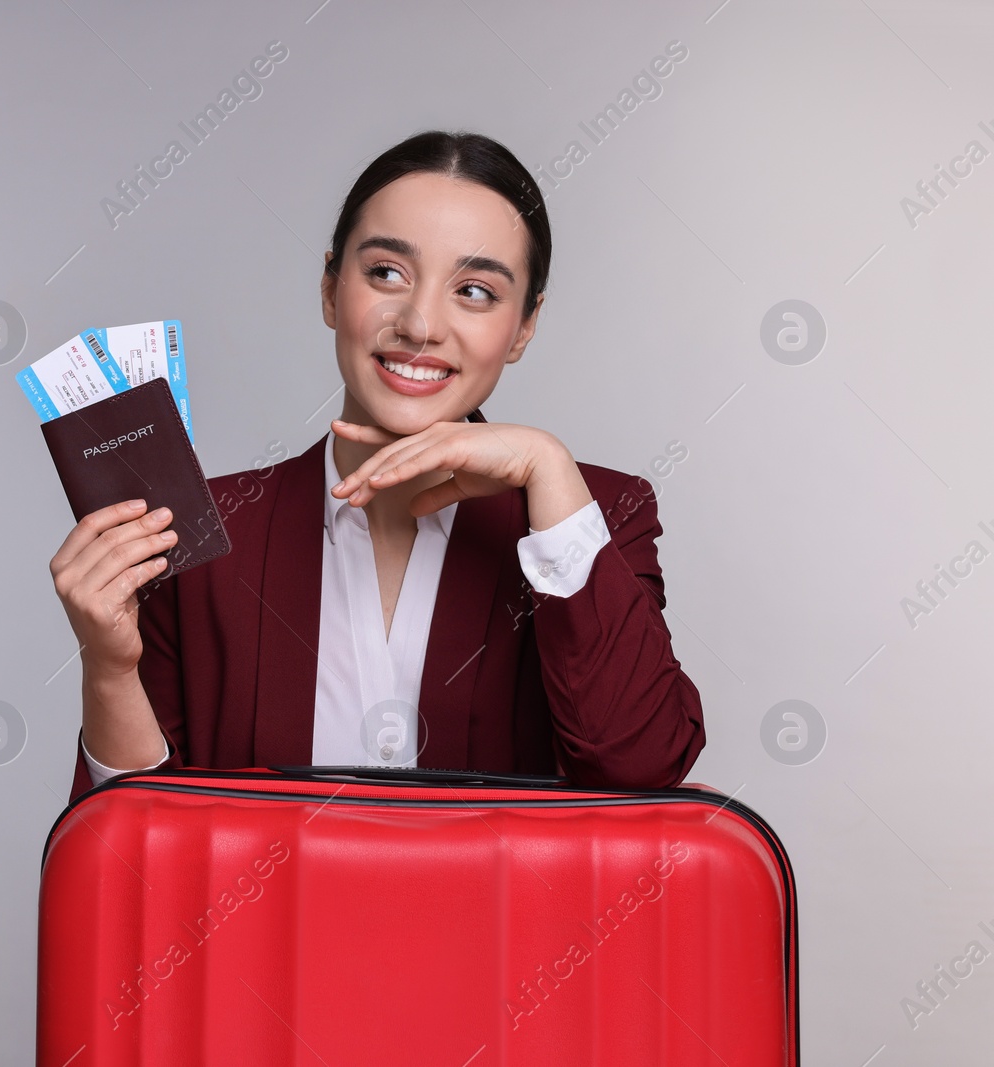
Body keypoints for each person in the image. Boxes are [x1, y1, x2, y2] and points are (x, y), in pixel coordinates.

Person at [50, 129, 705, 805]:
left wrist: (548, 464)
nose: (420, 324)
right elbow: (137, 849)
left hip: (504, 917)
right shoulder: (202, 533)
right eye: (387, 273)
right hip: (268, 915)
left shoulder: (593, 515)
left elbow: (639, 769)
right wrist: (108, 669)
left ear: (524, 326)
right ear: (332, 290)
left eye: (475, 291)